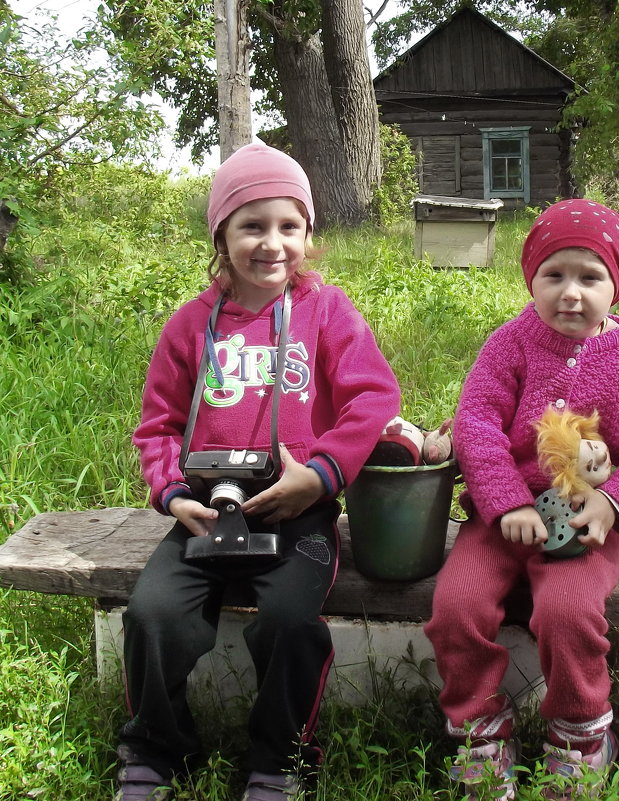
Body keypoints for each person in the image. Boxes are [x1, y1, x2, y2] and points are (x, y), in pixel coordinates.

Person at [115, 141, 401, 801]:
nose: (272, 243)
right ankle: (158, 750)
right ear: (221, 233)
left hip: (297, 507)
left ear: (307, 232)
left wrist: (323, 474)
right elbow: (157, 424)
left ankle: (279, 757)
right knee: (152, 614)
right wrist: (170, 494)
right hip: (206, 508)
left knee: (287, 623)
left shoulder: (326, 313)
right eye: (252, 225)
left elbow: (373, 398)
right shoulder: (190, 326)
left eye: (288, 226)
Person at [424, 199, 619, 800]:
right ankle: (480, 728)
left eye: (590, 277)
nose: (571, 293)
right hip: (503, 519)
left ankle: (580, 735)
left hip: (585, 518)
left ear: (615, 286)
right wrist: (507, 502)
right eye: (554, 276)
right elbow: (478, 423)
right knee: (455, 607)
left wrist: (612, 503)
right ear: (531, 280)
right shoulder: (510, 344)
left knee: (568, 615)